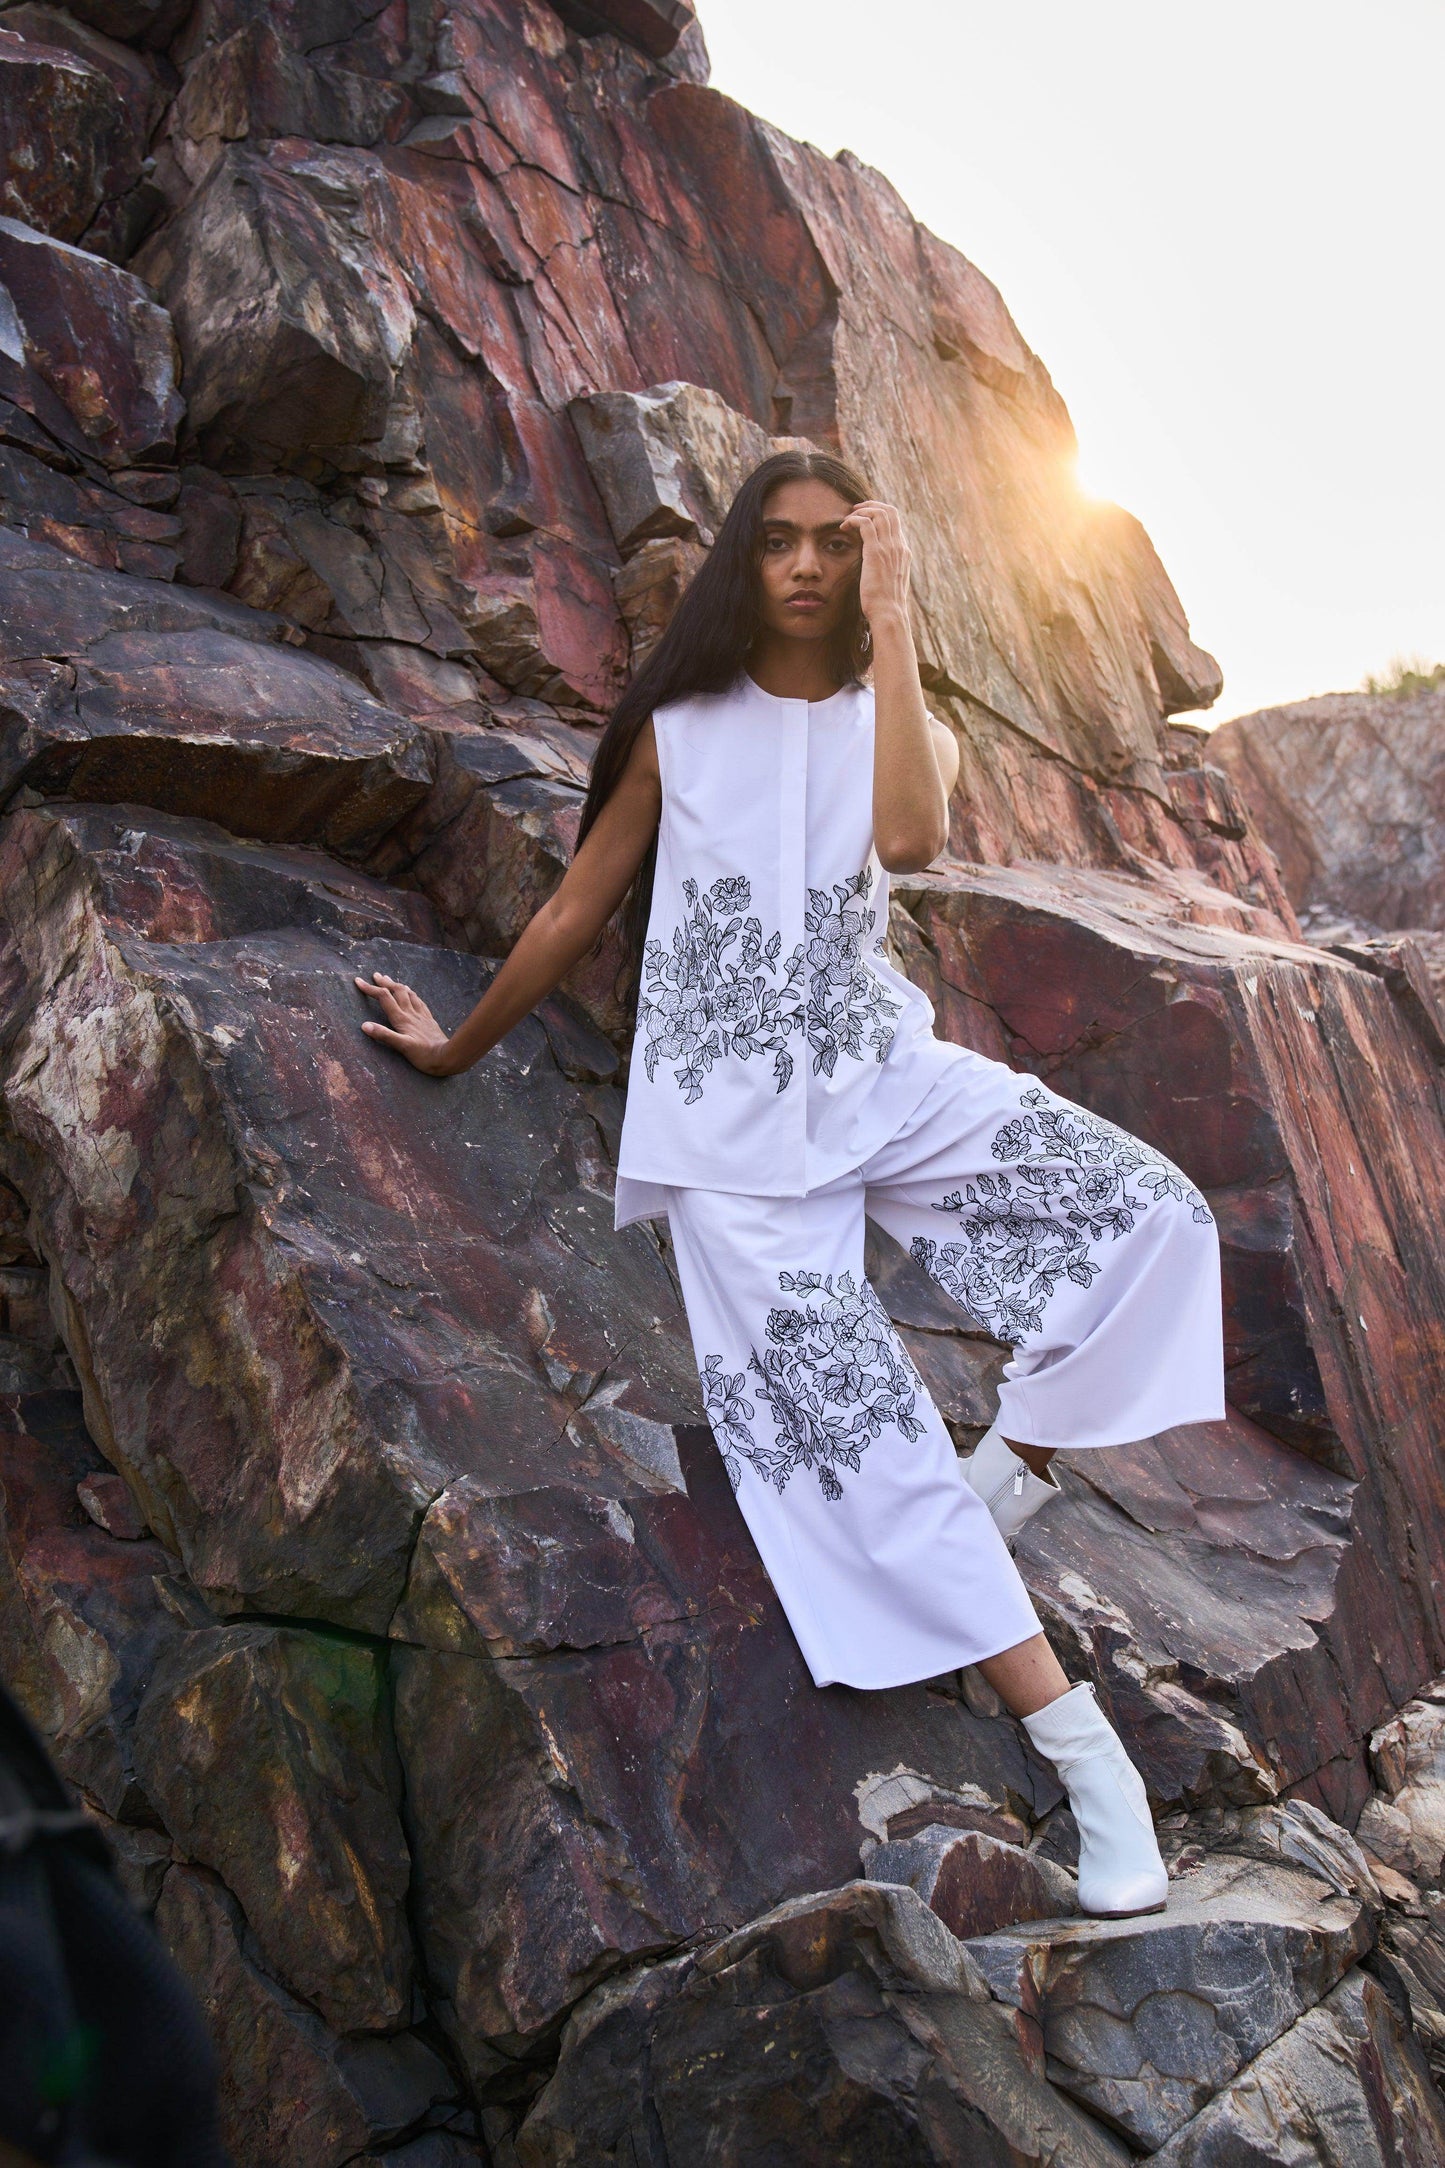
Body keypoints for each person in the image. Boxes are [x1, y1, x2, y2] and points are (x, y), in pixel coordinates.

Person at [356, 450, 1225, 1920]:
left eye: (834, 542)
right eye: (778, 543)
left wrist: (903, 616)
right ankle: (1095, 1774)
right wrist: (454, 1048)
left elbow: (912, 841)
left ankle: (1005, 1478)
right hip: (731, 1149)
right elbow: (575, 907)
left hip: (881, 1074)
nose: (808, 565)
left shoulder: (899, 714)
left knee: (1151, 1219)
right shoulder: (681, 729)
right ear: (743, 564)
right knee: (870, 1453)